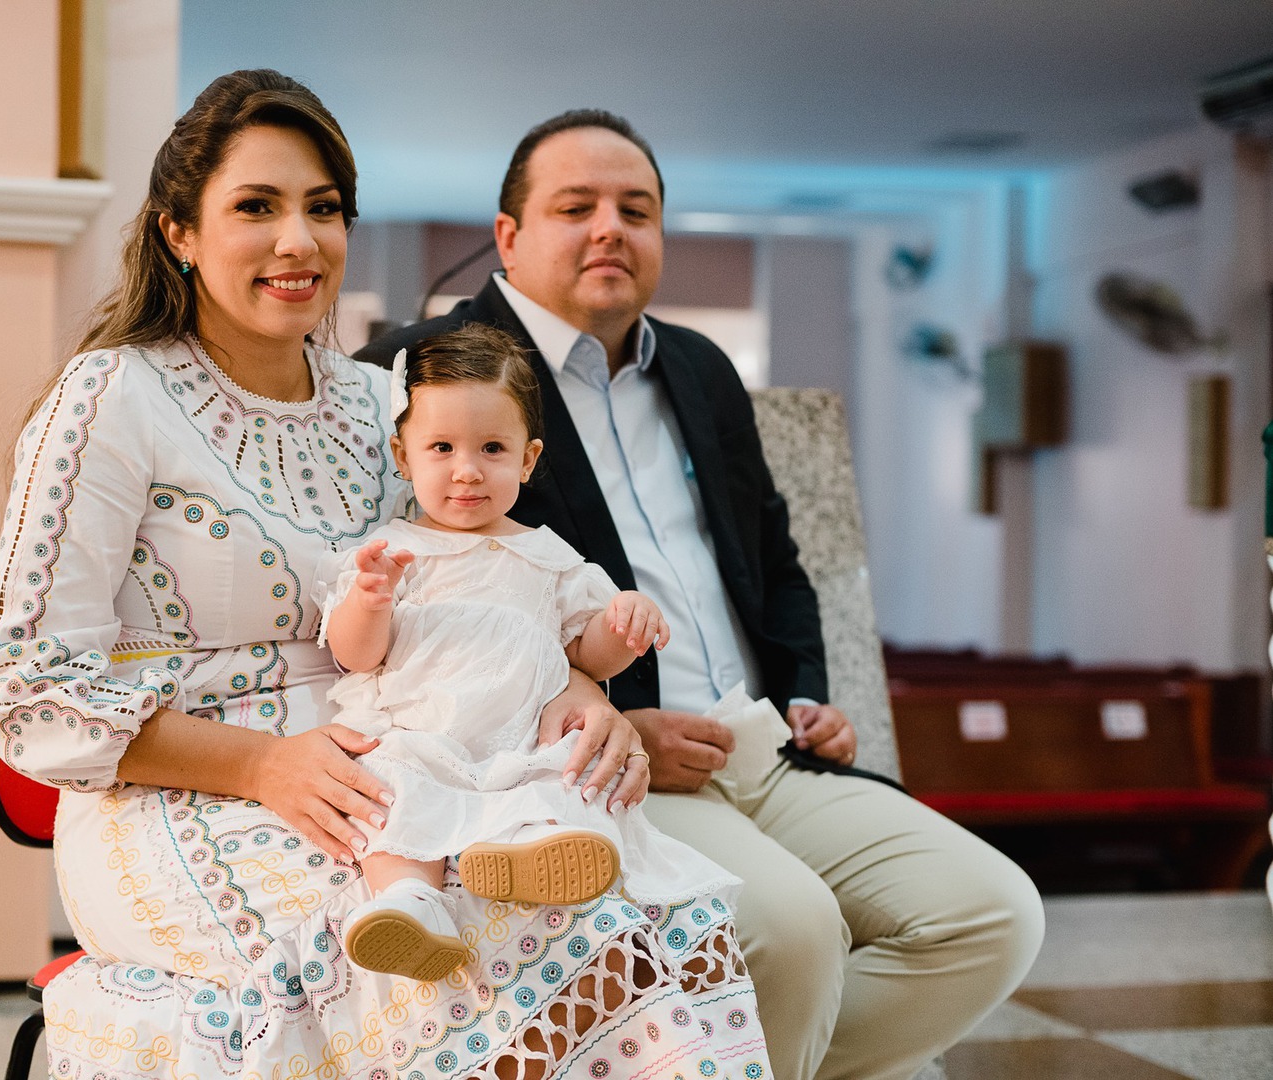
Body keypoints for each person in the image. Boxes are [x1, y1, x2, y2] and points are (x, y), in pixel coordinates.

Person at [0, 73, 771, 1080]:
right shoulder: (109, 397)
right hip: (185, 796)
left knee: (625, 929)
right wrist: (262, 766)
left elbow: (473, 584)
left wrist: (576, 692)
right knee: (461, 966)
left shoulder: (382, 402)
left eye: (323, 208)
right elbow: (24, 689)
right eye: (255, 207)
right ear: (180, 232)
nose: (298, 240)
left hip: (414, 761)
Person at [358, 109, 1046, 1080]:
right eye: (576, 207)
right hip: (604, 766)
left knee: (992, 915)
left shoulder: (698, 365)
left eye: (636, 209)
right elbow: (416, 612)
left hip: (760, 743)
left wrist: (806, 693)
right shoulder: (424, 369)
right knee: (793, 936)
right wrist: (602, 716)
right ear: (508, 235)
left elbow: (773, 558)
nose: (611, 228)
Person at [325, 328, 757, 1035]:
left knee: (565, 776)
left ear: (527, 460)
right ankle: (408, 903)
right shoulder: (391, 553)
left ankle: (532, 854)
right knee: (392, 787)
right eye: (442, 449)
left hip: (520, 736)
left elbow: (588, 655)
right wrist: (368, 602)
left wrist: (622, 623)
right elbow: (356, 657)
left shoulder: (551, 559)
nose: (467, 471)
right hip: (420, 728)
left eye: (492, 450)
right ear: (403, 457)